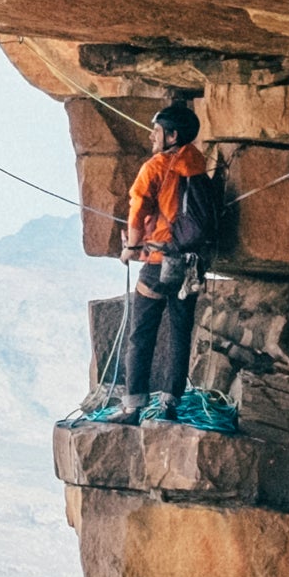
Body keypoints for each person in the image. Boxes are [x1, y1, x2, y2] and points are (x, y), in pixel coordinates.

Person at [82, 102, 210, 425]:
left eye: (157, 131)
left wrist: (131, 249)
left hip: (158, 262)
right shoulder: (197, 164)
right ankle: (170, 403)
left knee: (141, 333)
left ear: (172, 135)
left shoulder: (155, 168)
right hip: (190, 264)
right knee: (180, 333)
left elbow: (137, 211)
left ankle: (133, 405)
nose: (152, 136)